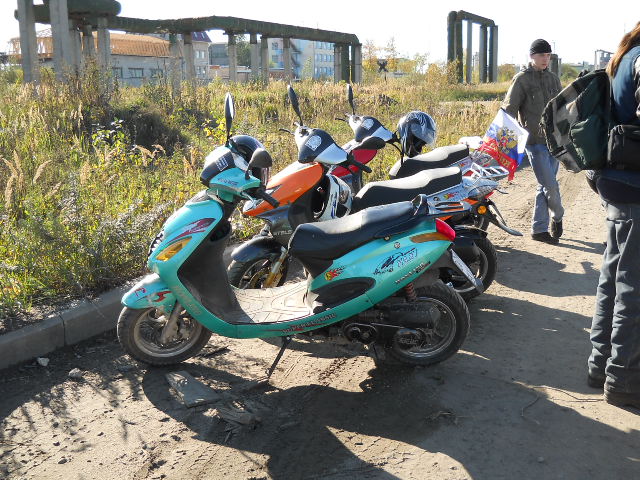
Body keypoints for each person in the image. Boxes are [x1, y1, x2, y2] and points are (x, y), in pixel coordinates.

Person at [587, 22, 640, 409]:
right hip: (635, 185)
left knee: (612, 277)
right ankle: (622, 381)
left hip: (614, 181)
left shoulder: (624, 57)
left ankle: (599, 364)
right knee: (633, 288)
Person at [502, 39, 564, 244]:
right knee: (550, 186)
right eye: (541, 55)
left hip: (553, 142)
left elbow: (562, 109)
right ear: (532, 56)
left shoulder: (554, 79)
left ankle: (539, 229)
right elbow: (509, 109)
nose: (545, 59)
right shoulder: (522, 80)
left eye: (548, 55)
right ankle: (558, 216)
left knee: (544, 186)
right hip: (534, 142)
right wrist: (502, 142)